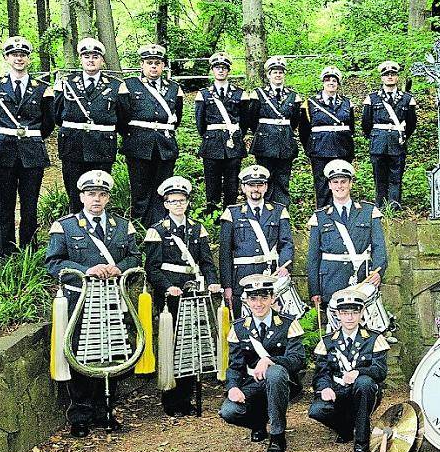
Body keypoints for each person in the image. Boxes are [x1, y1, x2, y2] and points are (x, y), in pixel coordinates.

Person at [45, 170, 142, 438]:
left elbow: (135, 257)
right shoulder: (65, 226)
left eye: (101, 194)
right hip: (80, 299)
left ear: (108, 197)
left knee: (109, 351)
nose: (96, 199)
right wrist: (87, 270)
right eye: (91, 194)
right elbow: (54, 262)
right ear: (81, 197)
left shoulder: (122, 226)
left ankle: (105, 411)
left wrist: (118, 268)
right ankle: (80, 415)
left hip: (112, 298)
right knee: (80, 353)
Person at [143, 176, 221, 417]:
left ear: (187, 202)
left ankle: (187, 398)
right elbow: (152, 268)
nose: (178, 204)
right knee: (173, 342)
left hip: (193, 290)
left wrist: (213, 282)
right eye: (172, 201)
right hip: (171, 294)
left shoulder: (197, 228)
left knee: (192, 341)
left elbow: (206, 262)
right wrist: (167, 287)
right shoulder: (157, 231)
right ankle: (172, 399)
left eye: (182, 200)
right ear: (165, 204)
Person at [219, 274, 305, 452]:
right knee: (228, 411)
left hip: (283, 382)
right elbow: (235, 366)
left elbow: (298, 359)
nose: (258, 304)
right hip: (252, 382)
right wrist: (233, 387)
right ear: (246, 300)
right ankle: (258, 423)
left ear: (273, 298)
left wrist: (270, 360)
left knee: (273, 373)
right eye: (253, 298)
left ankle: (277, 436)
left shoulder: (288, 324)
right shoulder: (240, 328)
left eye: (264, 298)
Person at [308, 287, 391, 452]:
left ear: (361, 313)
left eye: (354, 312)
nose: (350, 317)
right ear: (337, 315)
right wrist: (325, 387)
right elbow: (321, 373)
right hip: (338, 391)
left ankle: (362, 439)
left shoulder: (374, 339)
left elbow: (380, 370)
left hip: (363, 392)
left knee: (364, 382)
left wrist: (359, 372)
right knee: (316, 410)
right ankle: (345, 428)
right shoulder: (327, 342)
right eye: (345, 313)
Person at [0, 36, 54, 253]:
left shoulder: (42, 89)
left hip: (32, 152)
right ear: (6, 58)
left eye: (22, 55)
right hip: (3, 151)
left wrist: (30, 135)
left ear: (28, 59)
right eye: (14, 55)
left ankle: (29, 247)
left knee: (30, 204)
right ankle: (5, 249)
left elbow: (48, 123)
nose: (18, 59)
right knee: (4, 204)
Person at [117, 44, 184, 226]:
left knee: (163, 188)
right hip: (138, 144)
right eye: (149, 63)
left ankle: (161, 226)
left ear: (163, 66)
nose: (153, 66)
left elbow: (176, 118)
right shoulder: (129, 85)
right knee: (140, 189)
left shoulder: (174, 88)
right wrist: (134, 136)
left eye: (157, 63)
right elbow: (122, 118)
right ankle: (140, 226)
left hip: (165, 145)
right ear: (142, 65)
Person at [306, 159, 387, 309]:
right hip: (331, 280)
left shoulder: (368, 211)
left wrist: (378, 272)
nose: (339, 186)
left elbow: (379, 247)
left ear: (350, 184)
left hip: (363, 278)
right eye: (335, 182)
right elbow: (313, 257)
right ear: (329, 185)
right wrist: (314, 290)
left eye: (343, 181)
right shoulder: (320, 217)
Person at [54, 37, 122, 214]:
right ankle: (75, 229)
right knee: (74, 190)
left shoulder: (116, 85)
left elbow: (122, 117)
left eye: (95, 56)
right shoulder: (66, 82)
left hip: (102, 146)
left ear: (102, 60)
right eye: (86, 56)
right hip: (73, 145)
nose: (91, 60)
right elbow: (57, 114)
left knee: (100, 190)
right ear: (80, 59)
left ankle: (98, 228)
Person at [218, 165, 294, 316]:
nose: (256, 189)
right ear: (243, 188)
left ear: (266, 187)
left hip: (271, 275)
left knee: (276, 322)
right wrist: (227, 285)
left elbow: (286, 244)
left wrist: (285, 266)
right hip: (242, 277)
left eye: (260, 185)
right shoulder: (232, 213)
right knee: (244, 325)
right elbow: (225, 253)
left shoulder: (278, 211)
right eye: (251, 185)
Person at [194, 52, 249, 212]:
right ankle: (213, 212)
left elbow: (244, 121)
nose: (220, 71)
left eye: (224, 68)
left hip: (233, 143)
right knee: (212, 181)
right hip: (211, 143)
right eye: (217, 68)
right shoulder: (203, 94)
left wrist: (237, 134)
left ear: (228, 70)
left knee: (232, 182)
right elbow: (200, 123)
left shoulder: (240, 94)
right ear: (212, 70)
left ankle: (230, 213)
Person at [361, 60, 417, 209]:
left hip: (397, 142)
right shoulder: (372, 98)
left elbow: (411, 123)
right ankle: (380, 205)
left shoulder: (407, 99)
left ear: (397, 77)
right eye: (386, 75)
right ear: (382, 78)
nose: (390, 77)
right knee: (379, 176)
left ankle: (394, 205)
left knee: (396, 175)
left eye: (393, 74)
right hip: (378, 142)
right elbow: (366, 123)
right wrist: (374, 136)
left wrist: (403, 136)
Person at [250, 56, 303, 207]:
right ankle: (264, 208)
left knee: (283, 178)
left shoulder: (293, 96)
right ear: (268, 75)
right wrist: (266, 131)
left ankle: (282, 209)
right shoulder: (258, 94)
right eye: (274, 72)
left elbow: (294, 122)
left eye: (280, 72)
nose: (278, 75)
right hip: (265, 143)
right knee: (264, 177)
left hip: (285, 142)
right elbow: (252, 120)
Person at [300, 65, 354, 208]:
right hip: (320, 150)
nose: (331, 83)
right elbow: (304, 131)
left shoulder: (347, 103)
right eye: (327, 80)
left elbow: (351, 127)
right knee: (323, 184)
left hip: (342, 149)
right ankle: (323, 214)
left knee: (342, 183)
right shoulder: (310, 103)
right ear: (323, 83)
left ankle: (342, 212)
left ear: (338, 84)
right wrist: (311, 149)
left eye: (334, 80)